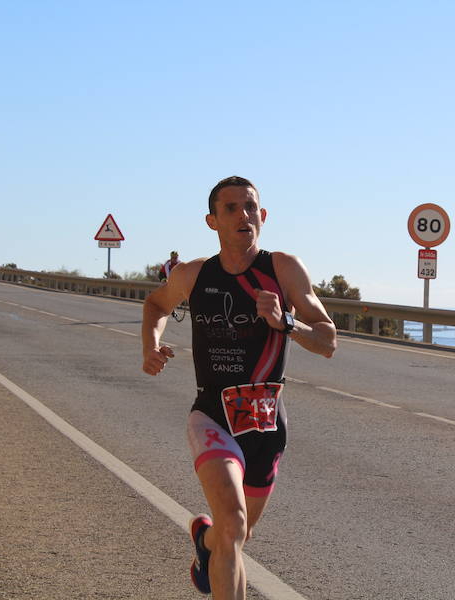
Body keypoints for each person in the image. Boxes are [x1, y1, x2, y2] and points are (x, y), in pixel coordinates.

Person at [141, 176, 337, 599]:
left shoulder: (283, 269)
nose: (243, 215)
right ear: (212, 221)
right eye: (230, 208)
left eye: (250, 207)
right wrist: (151, 345)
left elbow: (328, 340)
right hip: (211, 415)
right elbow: (156, 304)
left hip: (265, 423)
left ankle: (206, 544)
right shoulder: (195, 275)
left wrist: (288, 322)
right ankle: (214, 541)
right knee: (232, 522)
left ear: (262, 216)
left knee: (234, 536)